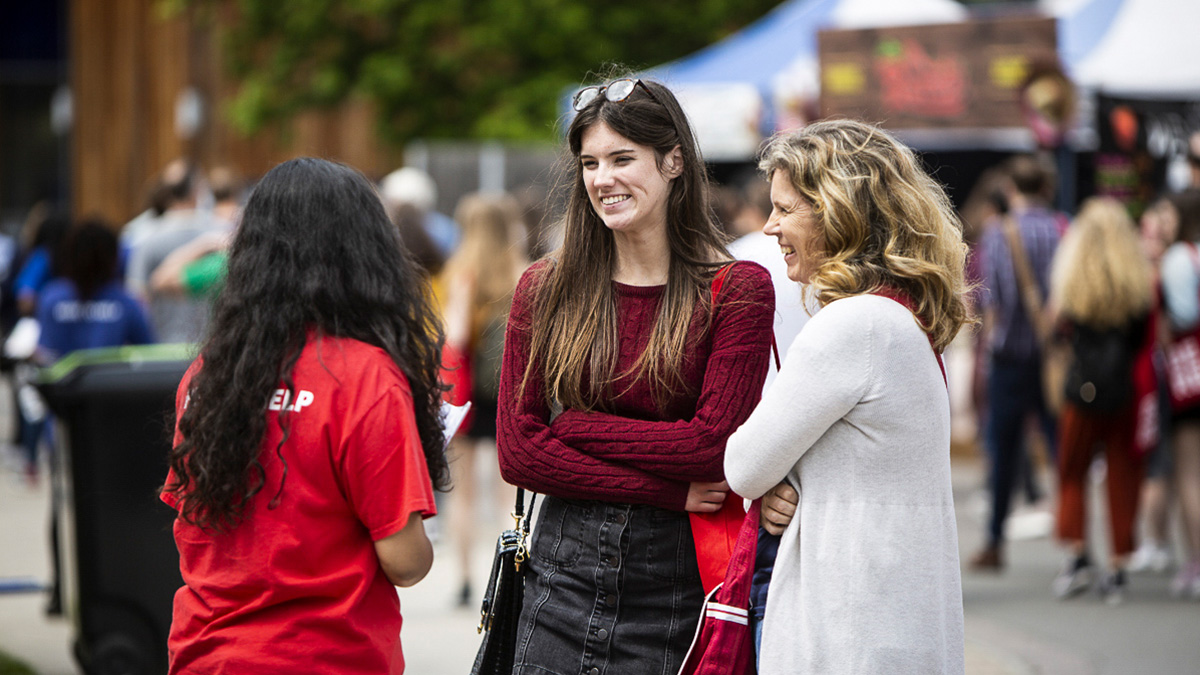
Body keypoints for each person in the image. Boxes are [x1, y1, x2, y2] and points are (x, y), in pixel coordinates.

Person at [495, 77, 774, 674]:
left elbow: (713, 446)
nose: (602, 179)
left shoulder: (737, 290)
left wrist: (574, 426)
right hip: (557, 580)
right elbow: (520, 454)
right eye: (590, 163)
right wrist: (666, 489)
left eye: (622, 159)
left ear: (674, 160)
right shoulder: (546, 289)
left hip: (676, 585)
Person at [159, 158, 449, 674]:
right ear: (366, 254)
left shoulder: (207, 374)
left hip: (206, 655)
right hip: (326, 658)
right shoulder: (364, 377)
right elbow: (406, 563)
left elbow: (195, 527)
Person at [725, 119, 970, 674]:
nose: (770, 227)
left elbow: (742, 465)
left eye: (785, 209)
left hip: (848, 632)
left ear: (838, 211)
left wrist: (778, 480)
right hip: (894, 625)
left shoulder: (851, 326)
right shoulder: (899, 320)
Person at [1046, 198, 1152, 604]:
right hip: (1123, 392)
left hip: (1081, 391)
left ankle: (1077, 556)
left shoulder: (1074, 287)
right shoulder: (1136, 288)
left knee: (1073, 471)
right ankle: (1119, 564)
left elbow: (1059, 334)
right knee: (1123, 475)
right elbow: (1141, 339)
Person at [971, 154, 1065, 570]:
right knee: (1062, 448)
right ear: (1045, 188)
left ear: (1011, 189)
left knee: (1003, 451)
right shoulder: (1063, 228)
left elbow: (987, 299)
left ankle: (994, 541)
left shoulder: (997, 232)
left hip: (1008, 356)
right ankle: (1075, 544)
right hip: (1051, 357)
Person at [436, 192, 528, 606]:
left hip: (468, 393)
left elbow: (454, 338)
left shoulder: (461, 273)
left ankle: (465, 579)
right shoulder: (521, 271)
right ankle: (512, 573)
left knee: (465, 491)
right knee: (509, 491)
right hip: (511, 391)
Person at [1158, 187, 1200, 598]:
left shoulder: (1178, 259)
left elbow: (1184, 315)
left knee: (1189, 472)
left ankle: (1196, 559)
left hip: (1189, 378)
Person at [36, 219, 155, 362]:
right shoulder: (126, 303)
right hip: (108, 383)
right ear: (113, 257)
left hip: (60, 383)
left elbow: (44, 352)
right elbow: (150, 353)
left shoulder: (51, 298)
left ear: (69, 255)